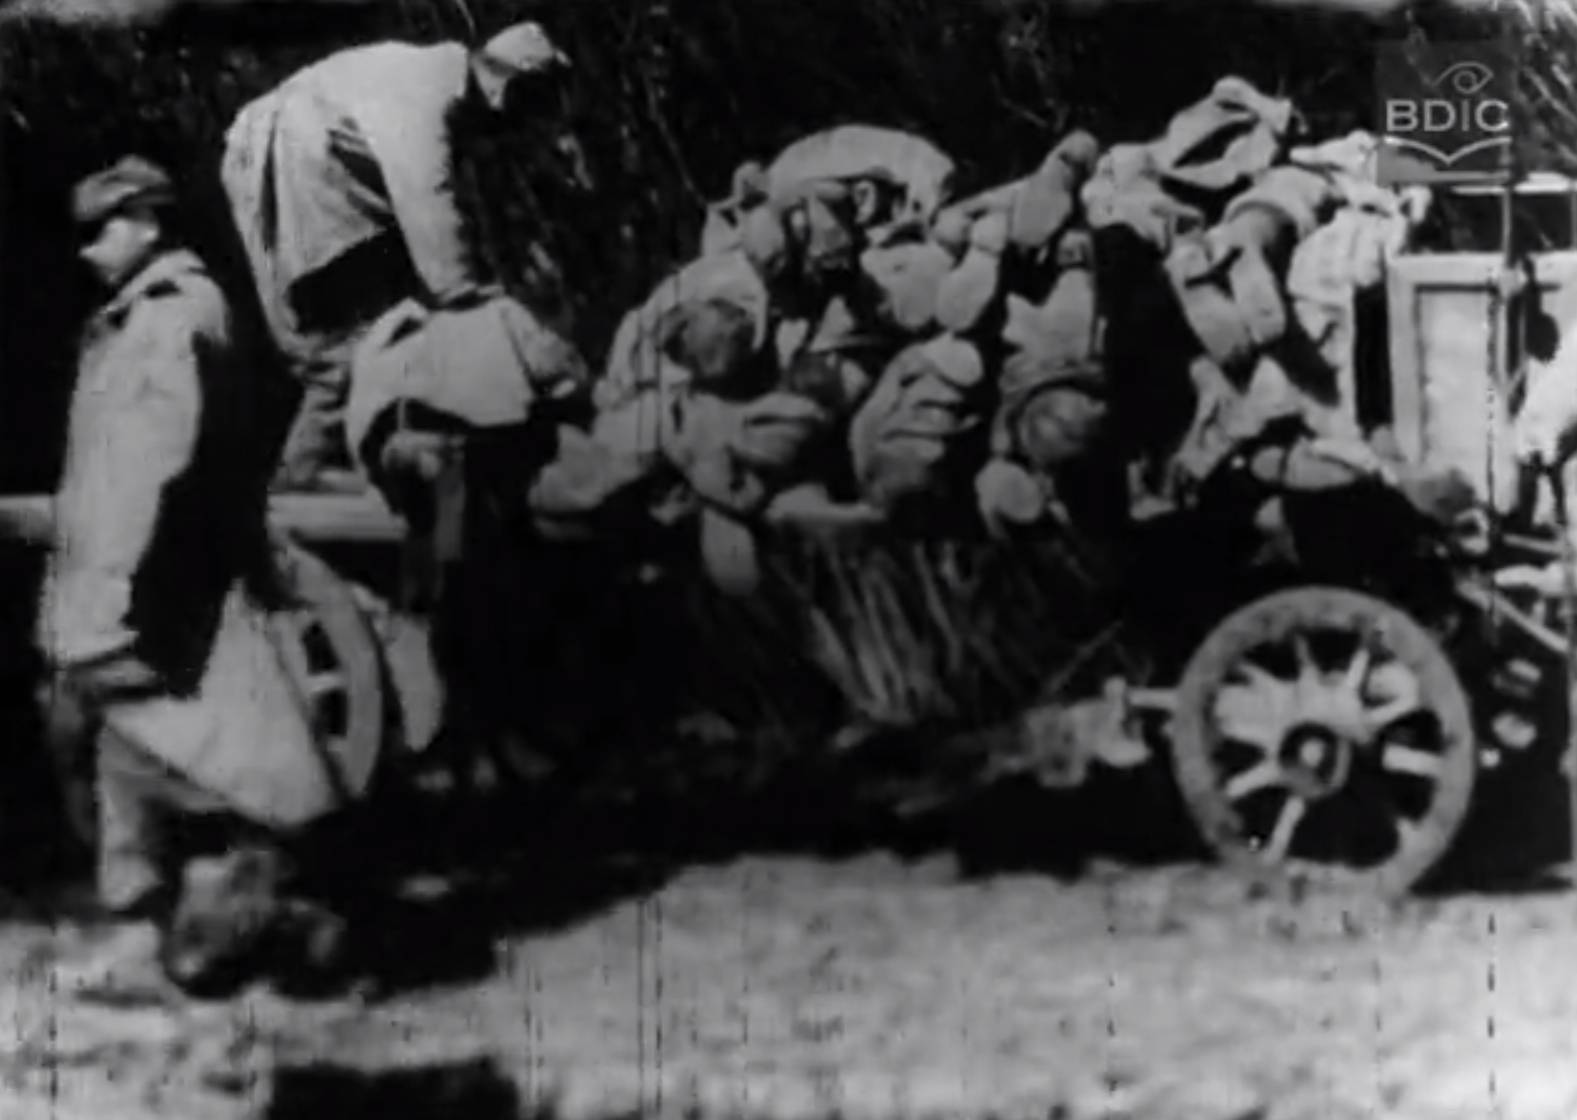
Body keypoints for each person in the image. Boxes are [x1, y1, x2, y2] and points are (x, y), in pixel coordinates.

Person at [38, 156, 353, 999]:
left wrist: (112, 598)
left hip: (168, 587)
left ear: (149, 222)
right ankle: (181, 928)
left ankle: (275, 921)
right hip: (144, 579)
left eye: (103, 229)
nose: (89, 250)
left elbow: (152, 467)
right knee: (127, 751)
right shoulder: (135, 318)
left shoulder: (172, 320)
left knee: (193, 756)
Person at [219, 20, 574, 490]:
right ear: (509, 84)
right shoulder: (426, 90)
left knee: (360, 350)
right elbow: (429, 203)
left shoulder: (428, 81)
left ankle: (318, 487)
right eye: (528, 103)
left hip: (294, 165)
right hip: (294, 164)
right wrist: (474, 303)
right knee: (354, 348)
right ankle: (302, 497)